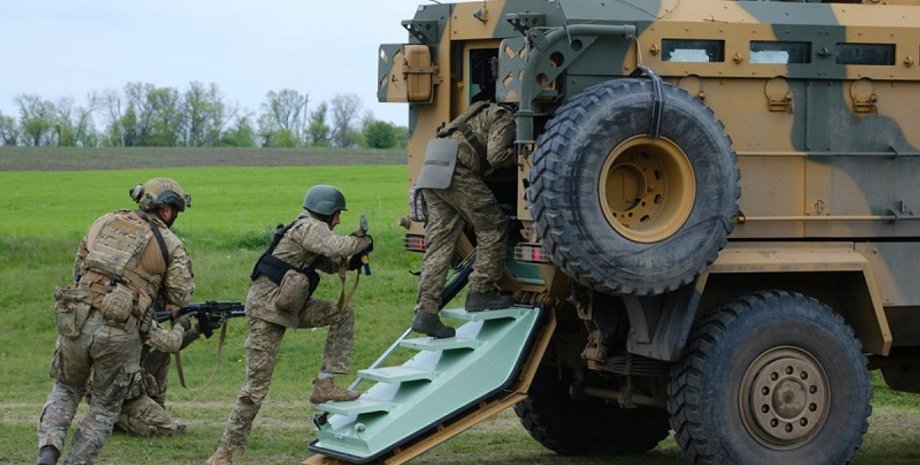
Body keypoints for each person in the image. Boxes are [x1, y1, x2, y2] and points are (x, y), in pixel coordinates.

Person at [204, 184, 372, 465]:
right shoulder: (310, 227)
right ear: (326, 212)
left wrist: (352, 262)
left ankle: (325, 383)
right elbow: (335, 246)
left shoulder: (309, 230)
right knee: (255, 389)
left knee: (342, 313)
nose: (339, 221)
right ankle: (223, 453)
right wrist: (362, 242)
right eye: (338, 215)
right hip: (266, 313)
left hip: (289, 307)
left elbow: (329, 263)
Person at [35, 178, 195, 465]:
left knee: (65, 389)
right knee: (104, 407)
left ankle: (47, 453)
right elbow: (180, 294)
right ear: (168, 211)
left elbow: (78, 269)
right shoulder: (170, 243)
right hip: (120, 332)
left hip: (77, 319)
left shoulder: (103, 222)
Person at [410, 101, 517, 339]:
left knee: (439, 244)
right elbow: (497, 156)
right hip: (455, 171)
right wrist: (524, 155)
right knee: (493, 226)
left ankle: (425, 312)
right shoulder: (504, 116)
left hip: (432, 169)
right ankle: (480, 291)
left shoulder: (479, 110)